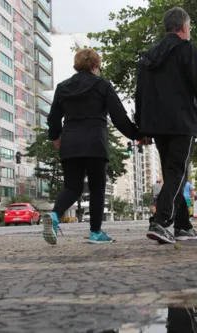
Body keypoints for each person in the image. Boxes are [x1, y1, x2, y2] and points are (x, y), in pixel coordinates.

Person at [135, 7, 197, 244]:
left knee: (174, 173)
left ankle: (182, 225)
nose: (190, 31)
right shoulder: (187, 50)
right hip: (182, 121)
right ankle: (161, 222)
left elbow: (140, 93)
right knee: (178, 173)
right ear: (184, 27)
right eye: (190, 27)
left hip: (156, 124)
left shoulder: (149, 57)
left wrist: (141, 128)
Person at [43, 48, 141, 245]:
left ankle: (54, 216)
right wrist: (138, 135)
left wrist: (54, 136)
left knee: (72, 187)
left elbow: (53, 117)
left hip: (70, 143)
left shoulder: (63, 87)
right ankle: (95, 232)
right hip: (95, 143)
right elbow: (119, 117)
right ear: (96, 66)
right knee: (97, 188)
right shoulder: (103, 85)